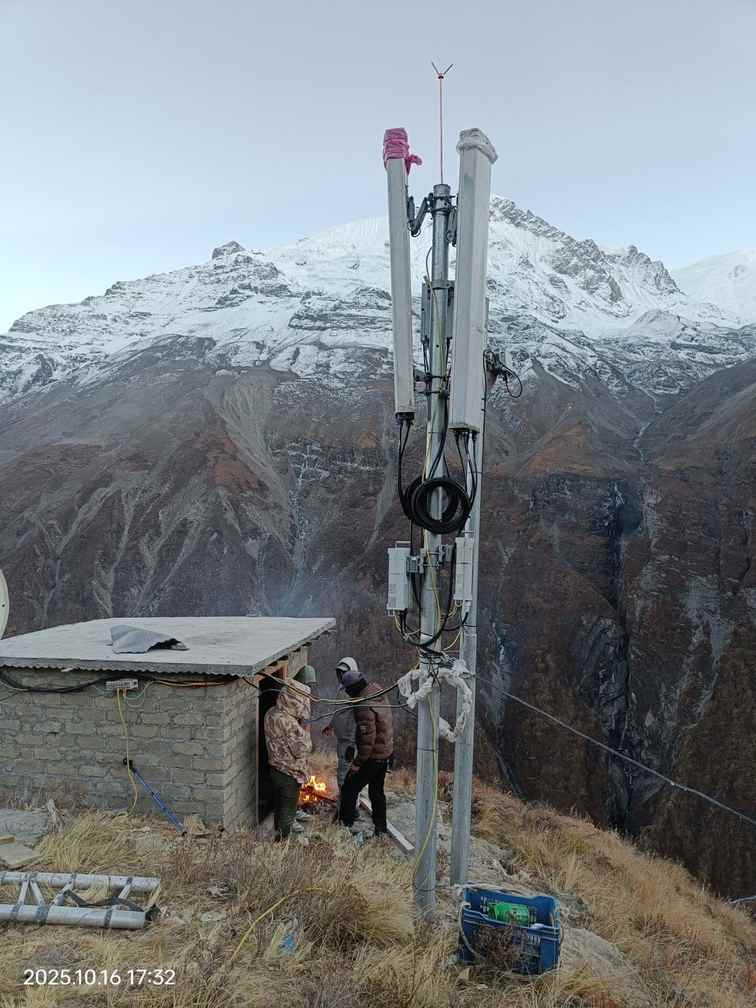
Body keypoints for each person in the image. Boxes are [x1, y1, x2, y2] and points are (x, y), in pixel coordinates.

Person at [337, 661, 394, 838]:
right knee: (377, 792)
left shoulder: (362, 705)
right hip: (385, 752)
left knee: (349, 788)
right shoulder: (376, 689)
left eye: (347, 689)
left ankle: (344, 827)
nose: (347, 693)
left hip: (372, 756)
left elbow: (367, 740)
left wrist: (357, 763)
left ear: (352, 688)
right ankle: (381, 829)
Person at [263, 680, 311, 841]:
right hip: (289, 774)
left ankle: (278, 837)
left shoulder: (271, 713)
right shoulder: (290, 724)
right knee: (287, 814)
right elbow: (302, 750)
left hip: (274, 769)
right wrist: (305, 733)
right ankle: (282, 845)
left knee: (279, 807)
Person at [322, 658, 358, 818]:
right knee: (343, 774)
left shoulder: (355, 692)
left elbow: (360, 719)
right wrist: (331, 725)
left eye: (344, 673)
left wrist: (353, 743)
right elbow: (339, 712)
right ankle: (347, 805)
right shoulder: (342, 689)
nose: (341, 676)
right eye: (340, 673)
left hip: (350, 742)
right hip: (342, 740)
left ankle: (348, 810)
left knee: (345, 776)